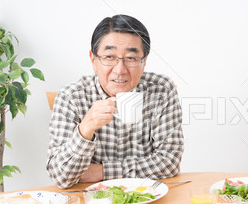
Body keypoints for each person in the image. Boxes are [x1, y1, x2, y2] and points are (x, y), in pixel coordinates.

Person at [47, 15, 184, 189]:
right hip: (93, 202)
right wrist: (85, 128)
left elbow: (169, 161)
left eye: (131, 58)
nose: (120, 70)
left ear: (144, 62)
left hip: (148, 197)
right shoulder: (71, 97)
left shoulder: (161, 89)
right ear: (93, 60)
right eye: (109, 57)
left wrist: (103, 171)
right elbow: (61, 177)